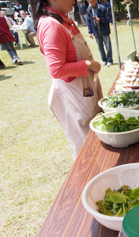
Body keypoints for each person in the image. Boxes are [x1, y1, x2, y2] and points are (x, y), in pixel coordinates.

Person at [30, 0, 103, 158]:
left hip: (84, 92)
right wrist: (87, 64)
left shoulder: (64, 20)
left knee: (96, 141)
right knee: (86, 149)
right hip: (74, 96)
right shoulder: (51, 24)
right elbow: (56, 70)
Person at [87, 0, 113, 66]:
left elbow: (108, 18)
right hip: (96, 30)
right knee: (100, 46)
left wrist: (100, 19)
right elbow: (88, 21)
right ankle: (104, 60)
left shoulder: (102, 8)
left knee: (108, 46)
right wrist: (90, 31)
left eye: (92, 1)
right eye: (90, 2)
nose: (91, 3)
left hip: (104, 29)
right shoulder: (89, 10)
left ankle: (110, 60)